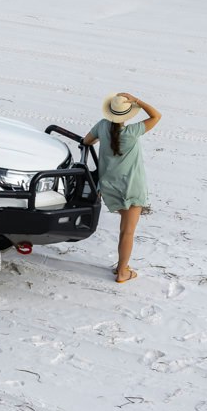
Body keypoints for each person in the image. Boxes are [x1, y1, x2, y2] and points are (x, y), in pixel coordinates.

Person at [81, 92, 161, 284]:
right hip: (132, 187)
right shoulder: (133, 131)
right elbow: (156, 116)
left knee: (125, 230)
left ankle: (121, 266)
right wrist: (138, 100)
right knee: (127, 232)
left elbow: (86, 141)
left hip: (109, 186)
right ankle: (123, 271)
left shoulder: (102, 126)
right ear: (128, 115)